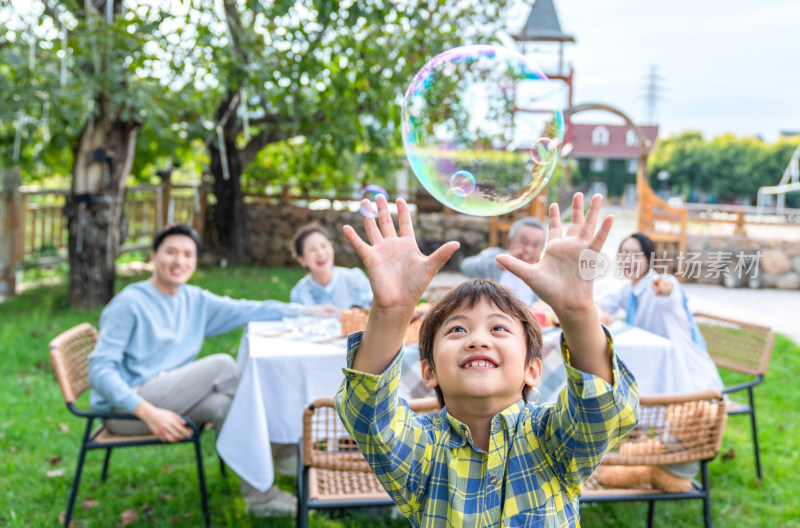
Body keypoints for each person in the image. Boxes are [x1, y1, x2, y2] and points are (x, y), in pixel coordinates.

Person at [334, 193, 639, 525]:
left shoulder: (553, 441)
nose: (478, 339)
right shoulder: (422, 452)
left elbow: (601, 408)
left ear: (532, 369)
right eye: (457, 330)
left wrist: (578, 312)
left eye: (497, 328)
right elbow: (368, 413)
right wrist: (391, 311)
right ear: (429, 371)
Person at [88, 223, 333, 516]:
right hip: (126, 412)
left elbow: (247, 309)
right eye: (171, 252)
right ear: (153, 257)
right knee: (222, 366)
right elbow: (100, 370)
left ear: (195, 261)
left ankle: (260, 498)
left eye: (188, 255)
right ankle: (282, 451)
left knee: (225, 405)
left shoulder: (193, 300)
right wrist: (147, 412)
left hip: (167, 398)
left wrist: (304, 311)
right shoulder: (130, 303)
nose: (179, 261)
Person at [595, 232, 724, 393]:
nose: (628, 259)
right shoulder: (629, 289)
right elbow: (598, 303)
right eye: (624, 253)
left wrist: (666, 289)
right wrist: (602, 313)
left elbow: (671, 291)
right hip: (654, 365)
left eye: (636, 254)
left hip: (686, 374)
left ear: (649, 259)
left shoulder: (657, 283)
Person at [460, 217, 546, 305]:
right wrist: (496, 264)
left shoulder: (541, 275)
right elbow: (465, 266)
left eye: (535, 245)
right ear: (509, 243)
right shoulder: (495, 255)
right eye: (524, 242)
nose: (528, 250)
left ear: (541, 250)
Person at [290, 223, 373, 309]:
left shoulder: (355, 279)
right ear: (302, 260)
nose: (320, 254)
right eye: (311, 249)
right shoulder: (300, 294)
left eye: (324, 245)